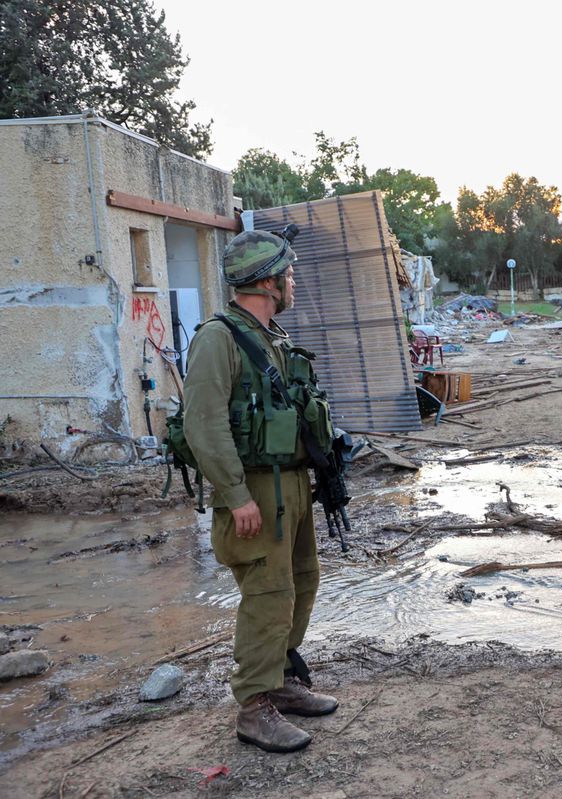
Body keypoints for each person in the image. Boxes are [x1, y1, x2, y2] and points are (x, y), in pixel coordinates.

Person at [183, 228, 338, 753]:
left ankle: (279, 683)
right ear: (268, 282)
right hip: (253, 490)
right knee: (268, 596)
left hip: (289, 484)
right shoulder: (219, 338)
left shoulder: (273, 339)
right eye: (289, 275)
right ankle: (253, 708)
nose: (293, 283)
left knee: (300, 582)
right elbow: (204, 424)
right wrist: (234, 495)